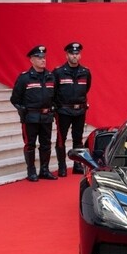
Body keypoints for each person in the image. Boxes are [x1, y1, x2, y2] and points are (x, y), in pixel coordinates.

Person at [11, 45, 57, 182]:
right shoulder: (25, 78)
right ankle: (31, 171)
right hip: (30, 117)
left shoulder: (50, 77)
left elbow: (55, 97)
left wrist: (53, 108)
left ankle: (44, 170)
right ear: (31, 60)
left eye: (44, 57)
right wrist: (23, 111)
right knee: (30, 144)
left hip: (46, 117)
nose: (43, 60)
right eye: (39, 58)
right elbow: (15, 99)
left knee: (46, 144)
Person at [52, 41, 92, 177]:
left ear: (80, 55)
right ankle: (62, 166)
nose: (74, 56)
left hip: (79, 110)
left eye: (77, 53)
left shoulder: (85, 72)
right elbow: (53, 91)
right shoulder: (58, 72)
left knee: (78, 139)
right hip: (63, 110)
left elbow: (86, 88)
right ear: (67, 55)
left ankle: (77, 165)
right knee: (61, 139)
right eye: (72, 54)